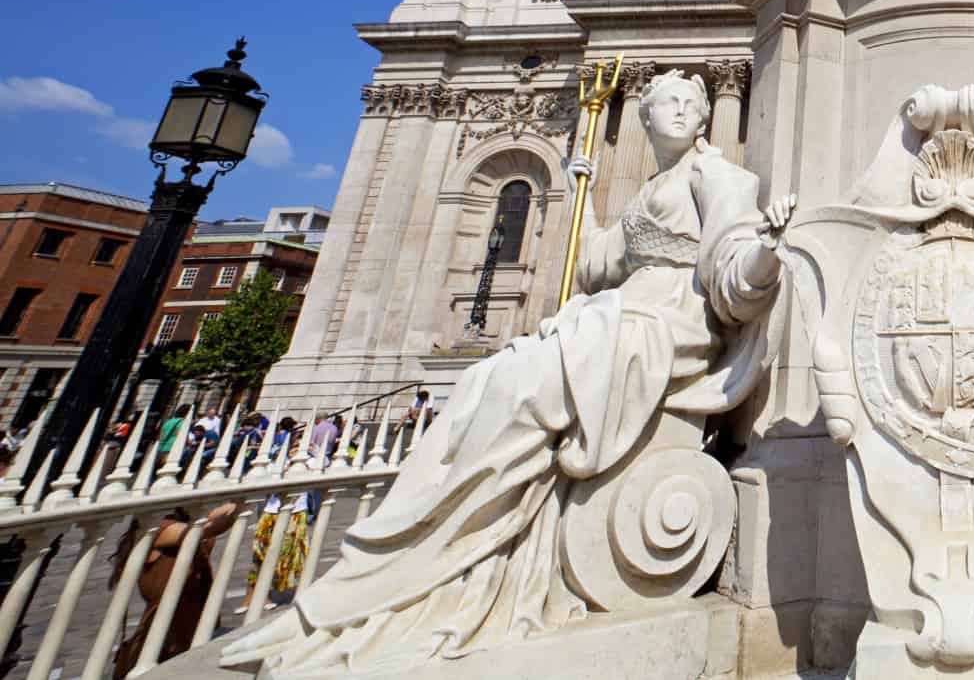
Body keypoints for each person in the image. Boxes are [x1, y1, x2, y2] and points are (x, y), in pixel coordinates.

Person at [223, 69, 798, 673]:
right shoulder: (650, 187)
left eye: (691, 103)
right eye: (667, 103)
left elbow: (731, 268)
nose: (680, 111)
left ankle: (411, 565)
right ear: (645, 117)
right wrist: (580, 196)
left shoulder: (722, 177)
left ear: (707, 117)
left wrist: (766, 250)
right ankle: (400, 572)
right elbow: (597, 266)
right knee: (482, 383)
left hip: (662, 326)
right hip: (617, 314)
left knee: (519, 387)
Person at [112, 502, 240, 677]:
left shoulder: (187, 520)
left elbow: (211, 525)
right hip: (167, 633)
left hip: (191, 621)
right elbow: (205, 530)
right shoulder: (158, 528)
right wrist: (233, 506)